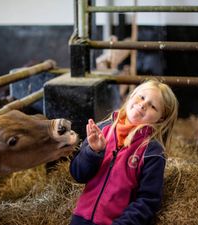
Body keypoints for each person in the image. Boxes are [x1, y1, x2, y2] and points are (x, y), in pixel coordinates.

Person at [69, 79, 178, 225]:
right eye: (142, 97)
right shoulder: (101, 130)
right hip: (80, 219)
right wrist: (92, 152)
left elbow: (148, 200)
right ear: (132, 95)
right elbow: (78, 174)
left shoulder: (152, 152)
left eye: (153, 106)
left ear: (161, 118)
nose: (143, 104)